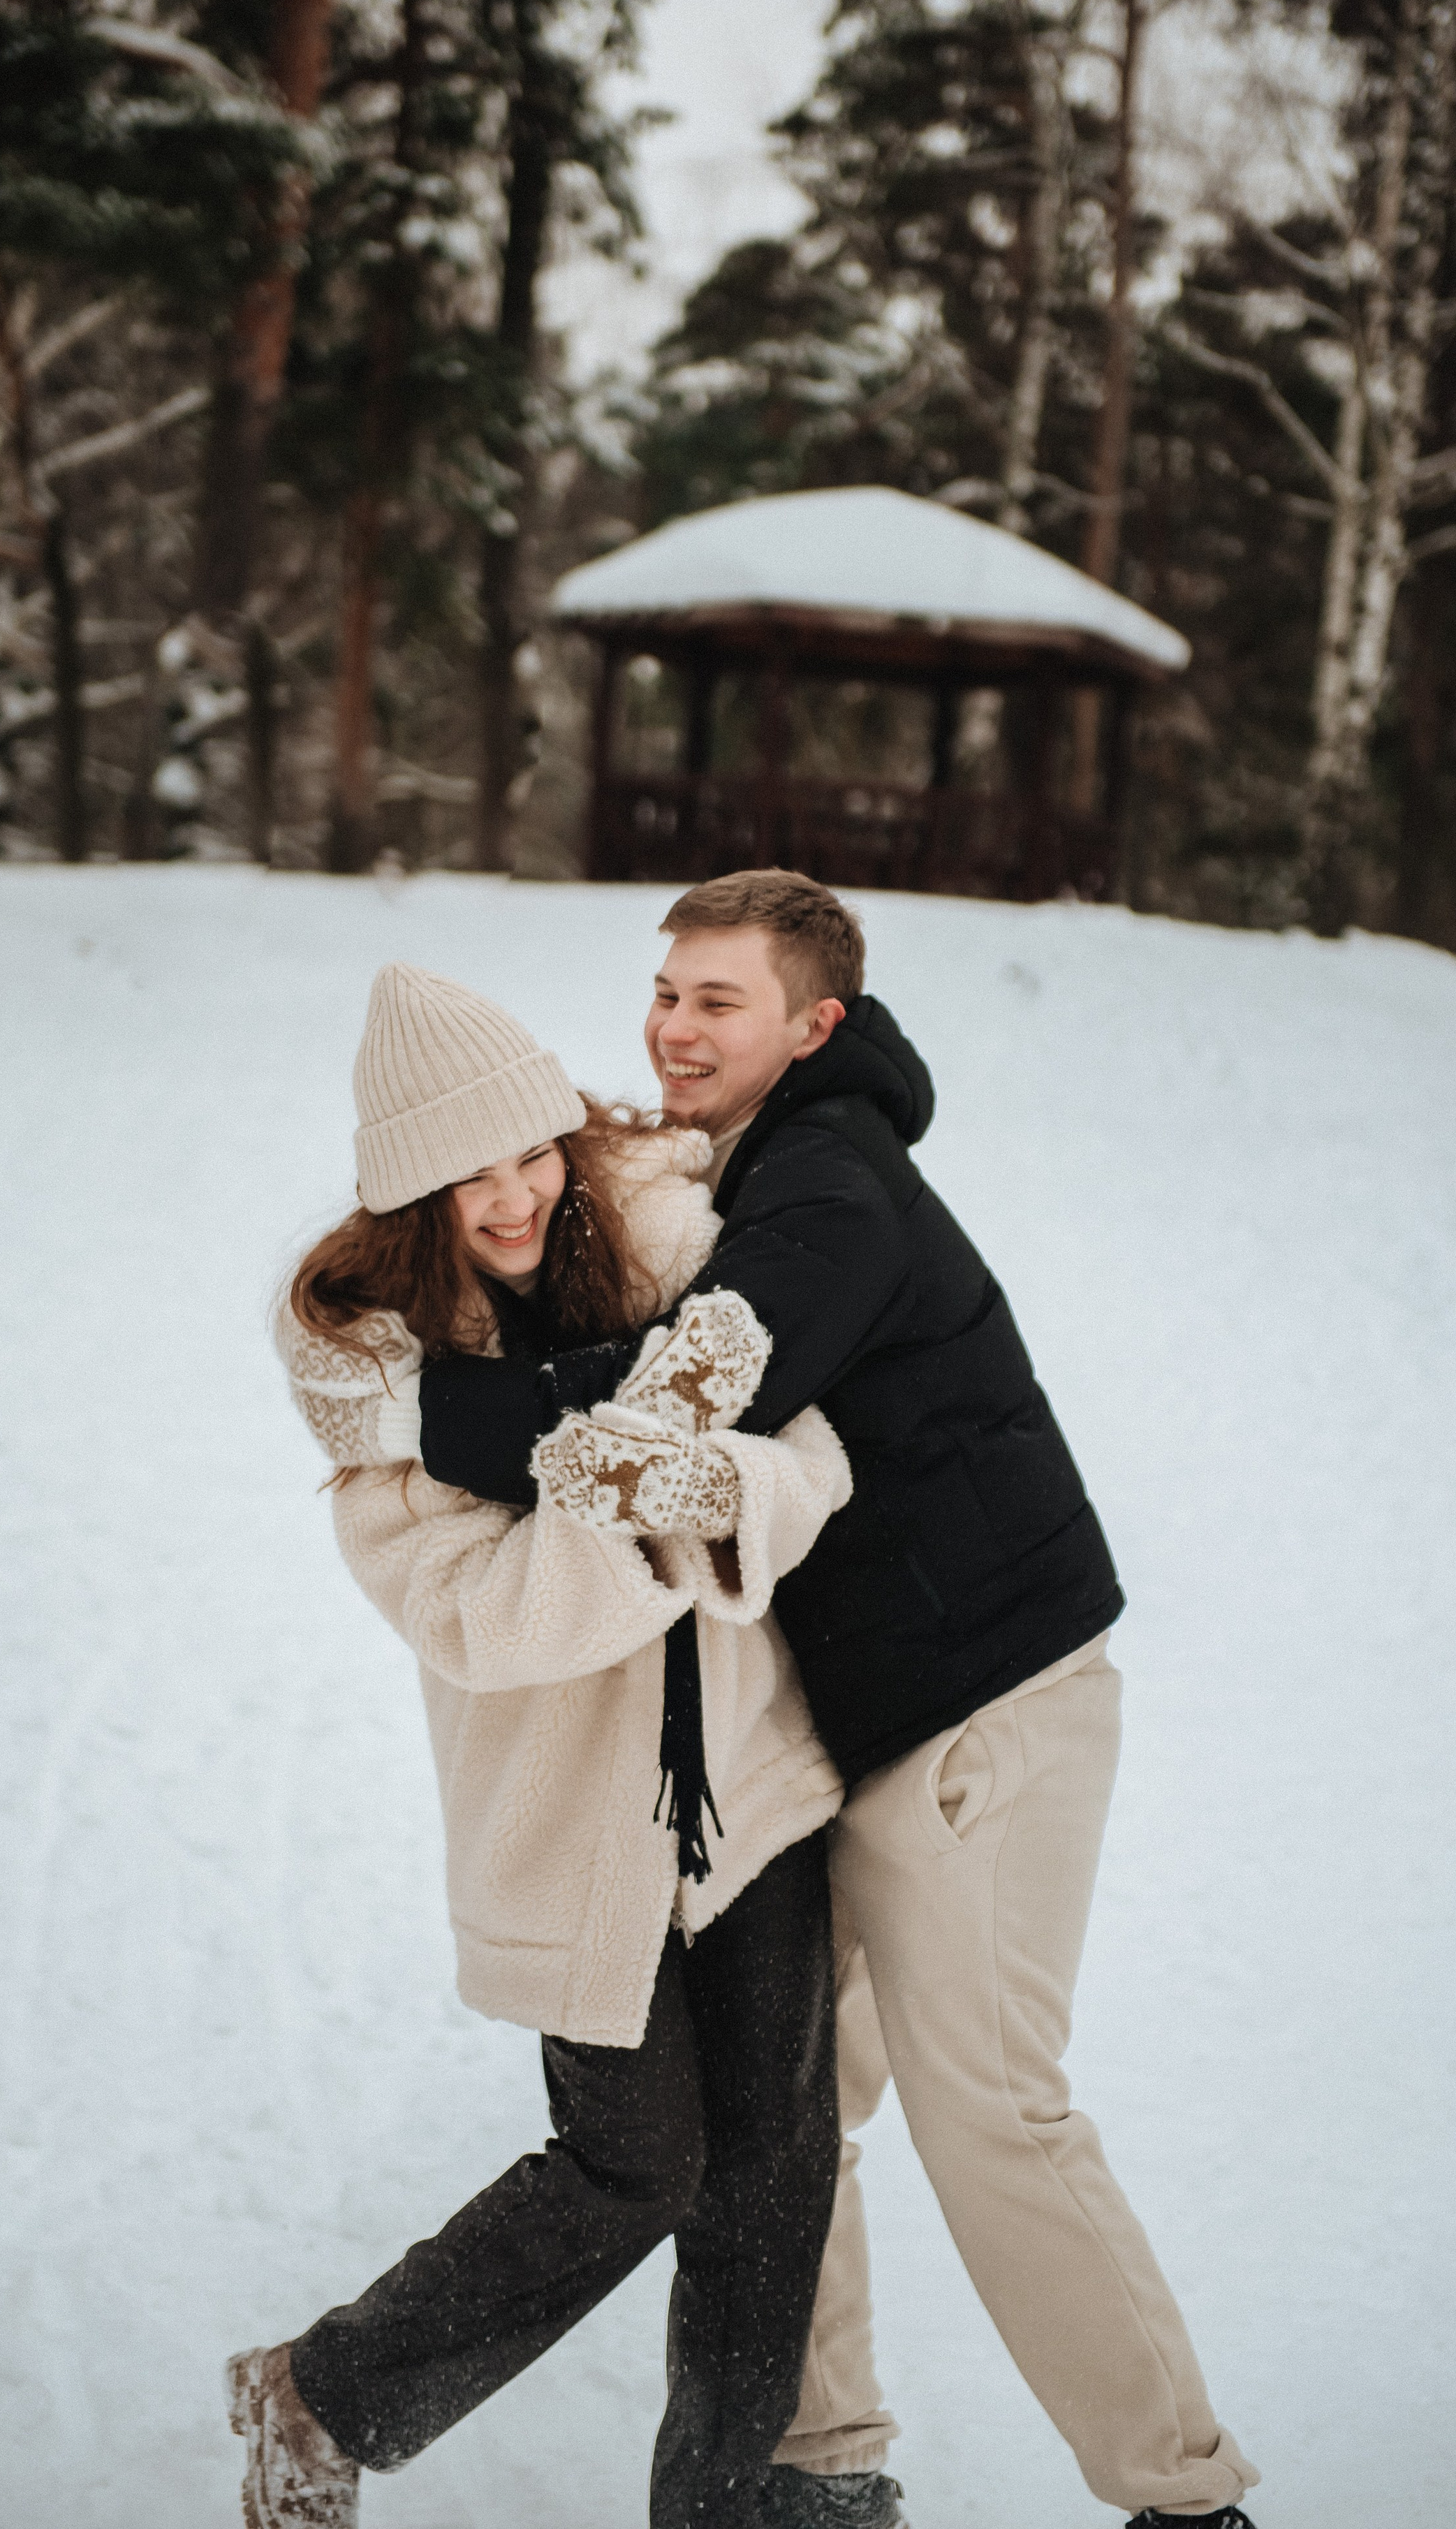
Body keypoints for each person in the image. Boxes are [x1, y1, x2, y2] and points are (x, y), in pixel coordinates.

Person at [414, 872, 1263, 2529]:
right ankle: (819, 2466)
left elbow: (675, 1402)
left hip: (977, 1713)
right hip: (871, 1725)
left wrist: (433, 1415)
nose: (672, 1027)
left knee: (992, 2110)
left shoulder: (830, 1185)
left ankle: (1181, 2500)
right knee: (788, 2118)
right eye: (665, 990)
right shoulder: (753, 1166)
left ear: (813, 1023)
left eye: (717, 1001)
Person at [227, 962, 859, 2529]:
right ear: (411, 1200)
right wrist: (630, 1483)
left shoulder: (676, 1256)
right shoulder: (378, 1397)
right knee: (634, 2165)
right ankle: (322, 2394)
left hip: (749, 1776)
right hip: (572, 1829)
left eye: (530, 1153)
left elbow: (814, 1448)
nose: (513, 1197)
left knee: (776, 2167)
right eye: (470, 1175)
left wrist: (719, 1488)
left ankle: (719, 2510)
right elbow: (486, 1620)